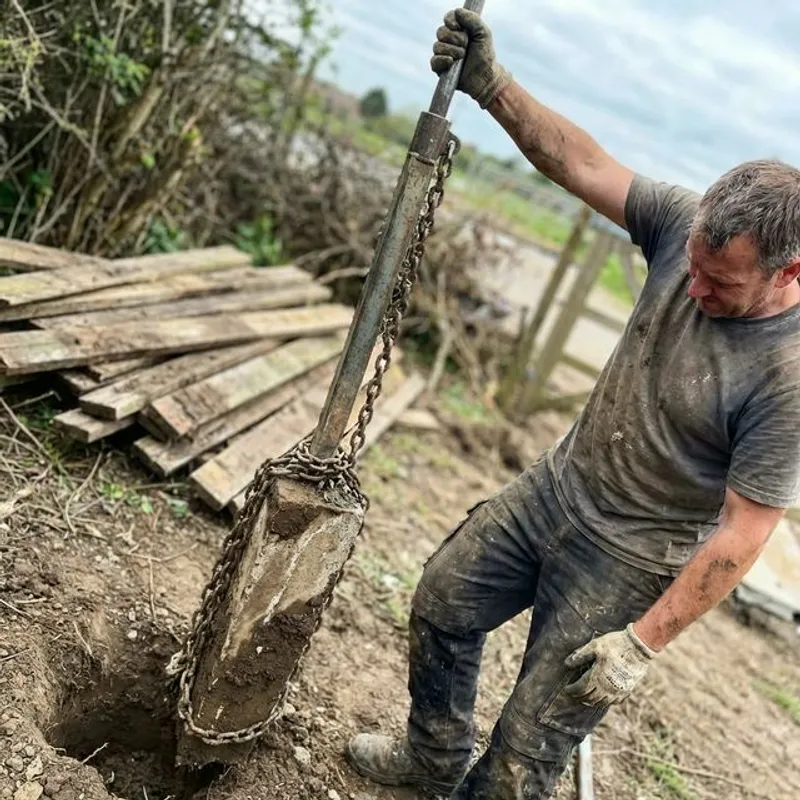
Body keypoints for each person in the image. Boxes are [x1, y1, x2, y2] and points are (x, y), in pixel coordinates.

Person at [345, 8, 800, 799]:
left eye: (719, 286)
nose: (692, 289)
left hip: (630, 560)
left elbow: (742, 535)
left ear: (788, 275)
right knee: (442, 601)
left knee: (526, 752)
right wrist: (490, 85)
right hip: (558, 489)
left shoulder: (787, 379)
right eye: (691, 266)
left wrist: (642, 644)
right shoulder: (683, 226)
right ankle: (431, 760)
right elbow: (579, 163)